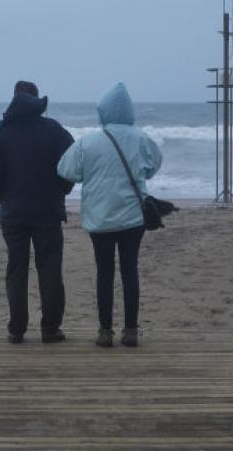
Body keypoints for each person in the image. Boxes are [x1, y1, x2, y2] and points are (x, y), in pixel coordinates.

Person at [57, 82, 162, 348]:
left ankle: (105, 331)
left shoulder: (89, 141)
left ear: (101, 111)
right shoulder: (142, 138)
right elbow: (153, 166)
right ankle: (131, 331)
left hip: (100, 217)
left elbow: (66, 170)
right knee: (130, 271)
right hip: (133, 217)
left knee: (104, 273)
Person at [0, 80, 76, 344]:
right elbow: (71, 163)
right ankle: (50, 328)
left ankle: (17, 329)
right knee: (50, 268)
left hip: (13, 212)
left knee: (17, 267)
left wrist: (3, 198)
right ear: (36, 101)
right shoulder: (53, 130)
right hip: (47, 210)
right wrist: (62, 189)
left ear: (14, 98)